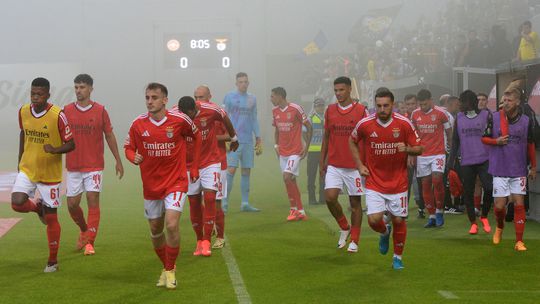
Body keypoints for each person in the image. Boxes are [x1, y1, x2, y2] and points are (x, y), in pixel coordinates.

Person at [124, 83, 201, 289]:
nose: (150, 101)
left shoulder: (180, 120)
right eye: (147, 97)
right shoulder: (138, 124)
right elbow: (128, 147)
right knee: (156, 229)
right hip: (151, 186)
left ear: (165, 100)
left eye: (154, 97)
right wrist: (134, 156)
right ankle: (167, 267)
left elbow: (197, 136)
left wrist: (193, 167)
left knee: (172, 224)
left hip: (176, 182)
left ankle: (169, 269)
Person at [349, 89, 422, 269]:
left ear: (393, 105)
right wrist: (359, 165)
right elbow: (352, 141)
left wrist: (406, 149)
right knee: (374, 220)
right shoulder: (365, 124)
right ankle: (384, 231)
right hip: (374, 182)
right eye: (379, 106)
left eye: (386, 106)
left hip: (398, 183)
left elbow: (419, 148)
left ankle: (397, 257)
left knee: (398, 220)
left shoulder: (404, 123)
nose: (382, 109)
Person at [11, 77, 75, 272]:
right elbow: (23, 133)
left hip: (50, 173)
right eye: (32, 94)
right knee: (17, 202)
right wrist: (20, 158)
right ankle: (37, 208)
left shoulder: (58, 115)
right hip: (28, 168)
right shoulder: (23, 111)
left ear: (48, 94)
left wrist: (55, 150)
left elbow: (71, 144)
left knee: (52, 218)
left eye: (39, 94)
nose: (35, 97)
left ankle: (53, 261)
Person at [63, 74, 124, 256]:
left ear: (90, 88)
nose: (78, 90)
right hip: (73, 166)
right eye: (76, 87)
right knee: (72, 205)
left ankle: (90, 242)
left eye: (82, 87)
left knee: (92, 200)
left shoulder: (100, 110)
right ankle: (84, 229)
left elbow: (109, 136)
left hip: (94, 166)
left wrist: (118, 160)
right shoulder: (66, 111)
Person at [176, 95, 238, 257]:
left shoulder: (211, 110)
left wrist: (234, 137)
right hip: (189, 165)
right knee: (194, 202)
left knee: (211, 198)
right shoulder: (177, 113)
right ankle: (198, 240)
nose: (186, 119)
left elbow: (225, 118)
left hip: (211, 162)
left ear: (193, 110)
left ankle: (206, 241)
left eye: (187, 115)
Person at [482, 88, 536, 251]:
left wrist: (533, 166)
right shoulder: (494, 116)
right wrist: (496, 141)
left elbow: (530, 144)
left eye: (509, 100)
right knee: (499, 207)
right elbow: (483, 138)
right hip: (499, 168)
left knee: (519, 204)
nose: (505, 103)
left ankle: (519, 241)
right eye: (504, 100)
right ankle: (499, 227)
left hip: (518, 169)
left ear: (518, 102)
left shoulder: (527, 120)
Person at [320, 76, 369, 253]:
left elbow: (367, 137)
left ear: (349, 89)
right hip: (334, 163)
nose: (338, 94)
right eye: (336, 91)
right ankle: (344, 226)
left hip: (354, 166)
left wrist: (366, 162)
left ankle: (355, 240)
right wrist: (322, 160)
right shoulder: (330, 110)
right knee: (330, 197)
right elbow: (327, 136)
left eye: (341, 90)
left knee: (355, 203)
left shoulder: (362, 111)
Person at [448, 90, 492, 234]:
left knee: (489, 188)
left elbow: (492, 136)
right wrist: (451, 160)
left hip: (484, 159)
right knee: (468, 191)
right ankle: (473, 223)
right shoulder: (459, 117)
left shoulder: (486, 115)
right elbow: (455, 141)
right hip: (467, 160)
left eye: (463, 101)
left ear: (471, 102)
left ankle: (484, 216)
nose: (460, 104)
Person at [193, 86, 229, 249]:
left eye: (201, 97)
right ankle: (209, 225)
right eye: (196, 97)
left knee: (217, 201)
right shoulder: (193, 113)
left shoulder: (216, 113)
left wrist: (213, 136)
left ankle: (220, 237)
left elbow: (230, 134)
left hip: (217, 162)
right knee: (199, 200)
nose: (198, 100)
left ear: (210, 96)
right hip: (198, 164)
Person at [411, 89, 452, 228]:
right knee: (426, 184)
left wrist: (451, 149)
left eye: (425, 104)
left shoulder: (441, 113)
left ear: (431, 100)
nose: (422, 107)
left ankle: (440, 211)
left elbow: (449, 132)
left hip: (438, 153)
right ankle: (432, 215)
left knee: (437, 179)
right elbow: (412, 134)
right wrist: (412, 152)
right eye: (420, 104)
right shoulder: (415, 114)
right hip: (422, 154)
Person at [271, 87, 313, 221]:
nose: (270, 99)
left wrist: (306, 147)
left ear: (280, 96)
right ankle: (301, 211)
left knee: (287, 176)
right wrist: (276, 145)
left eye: (272, 96)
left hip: (295, 151)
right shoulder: (275, 111)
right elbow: (277, 130)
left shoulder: (296, 108)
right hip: (282, 151)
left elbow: (309, 127)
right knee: (291, 180)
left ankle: (293, 209)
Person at [222, 72, 262, 212]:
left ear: (248, 83)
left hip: (247, 141)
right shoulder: (229, 97)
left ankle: (245, 203)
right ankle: (224, 202)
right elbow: (223, 117)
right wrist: (225, 136)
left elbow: (254, 118)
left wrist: (258, 137)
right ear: (236, 83)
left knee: (246, 171)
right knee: (231, 170)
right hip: (234, 140)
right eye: (240, 82)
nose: (243, 84)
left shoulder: (252, 99)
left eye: (245, 81)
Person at [404, 94, 425, 218]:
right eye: (408, 104)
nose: (410, 106)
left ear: (416, 104)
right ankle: (403, 209)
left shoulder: (419, 116)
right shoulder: (404, 118)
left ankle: (421, 208)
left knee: (420, 182)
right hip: (407, 155)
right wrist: (408, 154)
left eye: (412, 104)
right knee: (406, 183)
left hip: (421, 154)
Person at [306, 98, 326, 205]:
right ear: (315, 107)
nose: (321, 108)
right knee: (311, 175)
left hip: (323, 151)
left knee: (323, 175)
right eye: (319, 106)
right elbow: (304, 132)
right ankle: (312, 199)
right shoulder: (311, 118)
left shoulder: (327, 118)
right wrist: (308, 144)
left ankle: (323, 198)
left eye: (322, 105)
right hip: (313, 151)